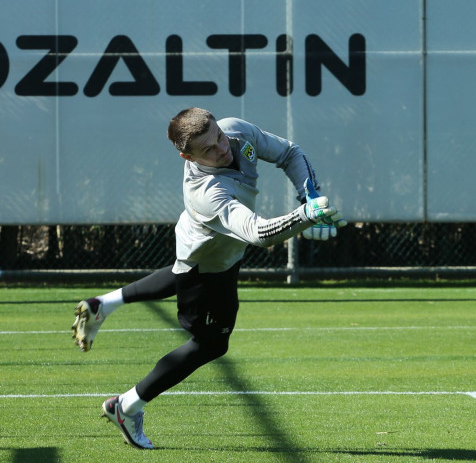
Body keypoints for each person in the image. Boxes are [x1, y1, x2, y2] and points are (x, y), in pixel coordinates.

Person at [71, 107, 346, 449]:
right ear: (188, 156)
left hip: (209, 248)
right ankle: (125, 406)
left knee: (181, 275)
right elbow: (258, 233)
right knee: (209, 343)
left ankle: (102, 306)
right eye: (209, 150)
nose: (222, 148)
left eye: (218, 136)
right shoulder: (207, 192)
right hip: (211, 258)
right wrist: (304, 215)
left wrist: (310, 193)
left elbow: (290, 152)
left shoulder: (234, 131)